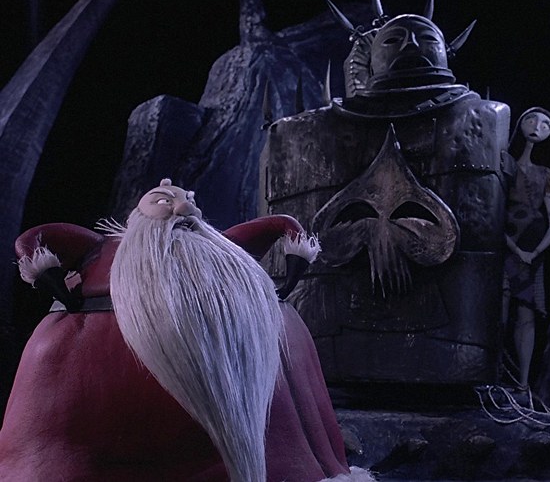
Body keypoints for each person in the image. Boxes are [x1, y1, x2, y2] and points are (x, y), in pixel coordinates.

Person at [1, 179, 373, 481]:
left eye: (187, 201)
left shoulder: (233, 270)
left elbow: (279, 228)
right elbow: (35, 243)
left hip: (255, 412)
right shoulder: (98, 269)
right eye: (165, 201)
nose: (181, 209)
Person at [502, 107, 550, 391]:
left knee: (526, 313)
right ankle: (493, 373)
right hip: (506, 244)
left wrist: (534, 252)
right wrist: (513, 247)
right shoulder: (505, 166)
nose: (537, 127)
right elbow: (494, 209)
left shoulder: (545, 176)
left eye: (545, 124)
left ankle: (523, 382)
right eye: (532, 120)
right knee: (500, 307)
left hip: (531, 251)